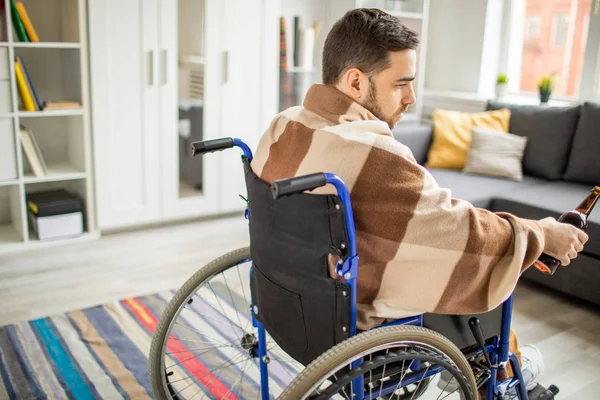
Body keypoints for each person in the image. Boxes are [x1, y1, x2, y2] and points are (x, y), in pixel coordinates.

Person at [250, 8, 587, 393]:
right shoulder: (375, 154)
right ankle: (508, 374)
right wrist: (539, 234)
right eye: (401, 84)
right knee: (487, 290)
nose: (411, 97)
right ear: (356, 82)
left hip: (284, 301)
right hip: (350, 328)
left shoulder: (284, 124)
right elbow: (463, 235)